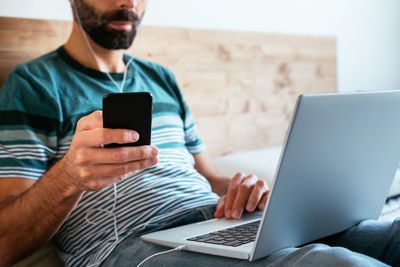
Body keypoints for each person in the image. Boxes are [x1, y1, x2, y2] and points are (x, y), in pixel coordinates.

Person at [0, 0, 398, 266]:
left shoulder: (161, 79)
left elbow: (209, 177)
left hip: (223, 222)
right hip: (137, 243)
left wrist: (244, 187)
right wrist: (70, 175)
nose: (129, 2)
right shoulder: (34, 85)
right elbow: (7, 240)